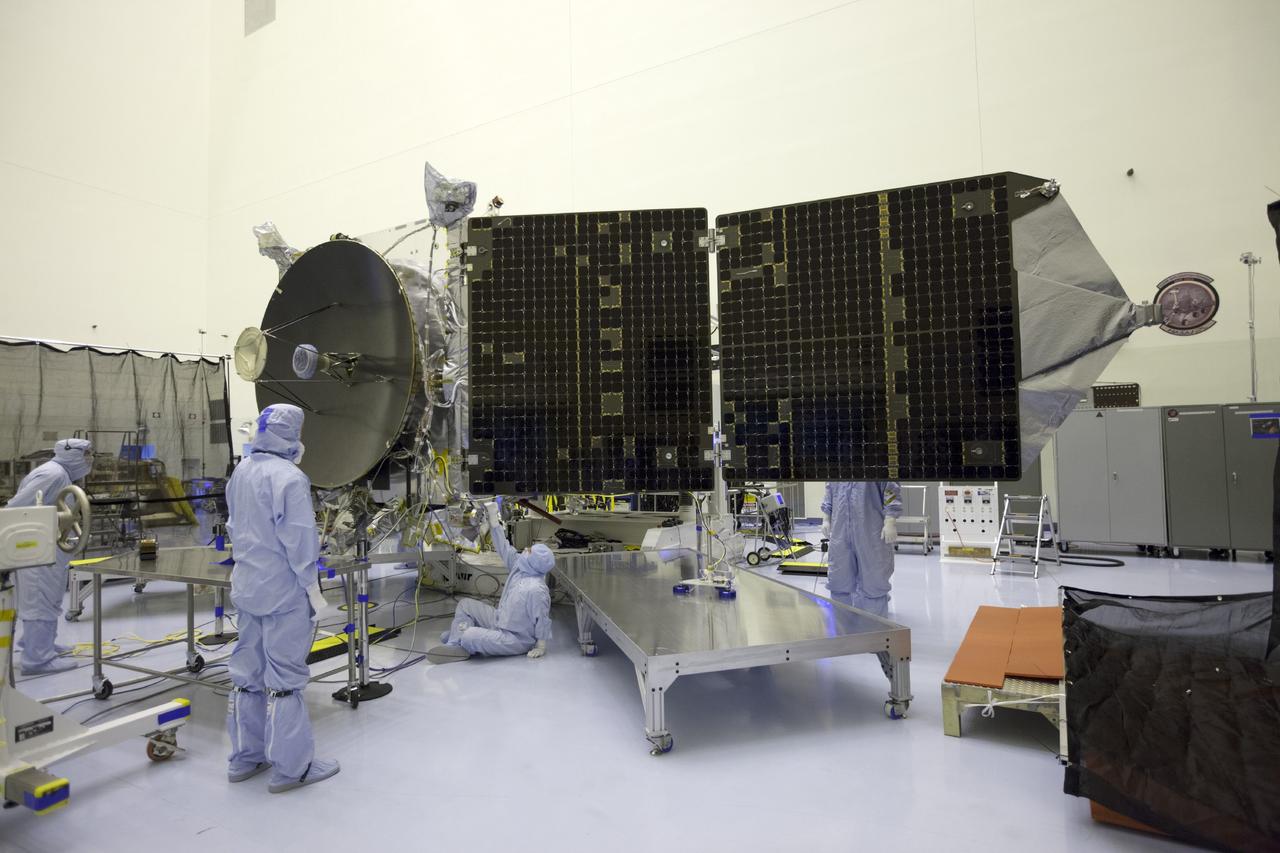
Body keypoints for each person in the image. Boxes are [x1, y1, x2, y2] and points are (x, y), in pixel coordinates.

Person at [224, 404, 339, 793]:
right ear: (292, 434)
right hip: (282, 592)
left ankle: (246, 757)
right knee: (286, 679)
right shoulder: (290, 477)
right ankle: (292, 768)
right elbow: (300, 542)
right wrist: (313, 591)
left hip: (247, 587)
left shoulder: (242, 471)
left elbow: (234, 526)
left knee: (247, 674)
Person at [427, 501, 553, 663]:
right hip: (500, 619)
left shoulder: (537, 589)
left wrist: (541, 645)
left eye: (529, 552)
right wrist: (494, 520)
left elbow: (542, 618)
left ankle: (460, 636)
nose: (525, 551)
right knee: (465, 605)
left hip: (516, 638)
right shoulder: (520, 566)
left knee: (469, 635)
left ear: (535, 562)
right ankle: (455, 642)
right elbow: (504, 547)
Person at [8, 438, 93, 675]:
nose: (90, 460)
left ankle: (40, 644)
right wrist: (56, 520)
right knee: (40, 599)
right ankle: (37, 659)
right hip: (37, 548)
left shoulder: (60, 474)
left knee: (50, 598)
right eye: (86, 454)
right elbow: (16, 510)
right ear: (71, 454)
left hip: (49, 546)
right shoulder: (53, 475)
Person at [821, 482, 902, 617]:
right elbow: (830, 490)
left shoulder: (877, 467)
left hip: (871, 530)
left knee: (873, 581)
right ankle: (842, 624)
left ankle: (874, 624)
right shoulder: (837, 468)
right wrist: (826, 517)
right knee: (839, 579)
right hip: (840, 531)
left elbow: (890, 489)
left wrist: (890, 520)